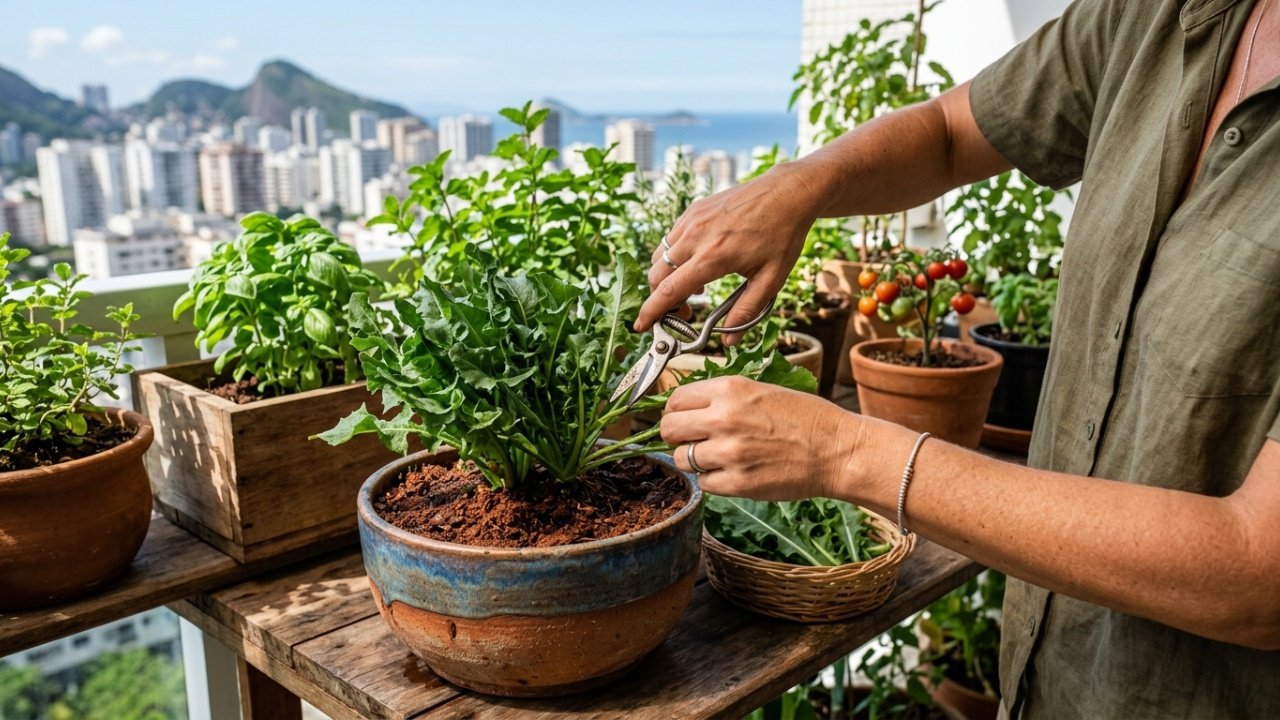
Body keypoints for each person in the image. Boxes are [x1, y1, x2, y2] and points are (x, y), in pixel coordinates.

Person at [636, 0, 1280, 716]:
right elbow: (949, 133)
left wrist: (847, 453)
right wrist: (802, 184)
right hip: (1045, 686)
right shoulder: (1150, 16)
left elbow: (1259, 576)